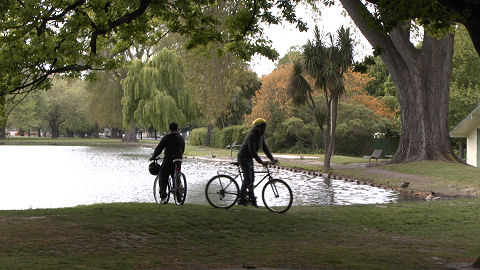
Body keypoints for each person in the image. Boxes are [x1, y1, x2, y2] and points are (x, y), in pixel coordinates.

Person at [237, 118, 278, 206]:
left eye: (265, 127)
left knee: (252, 179)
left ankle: (251, 199)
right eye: (263, 127)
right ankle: (241, 198)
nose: (264, 129)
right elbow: (252, 152)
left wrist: (272, 159)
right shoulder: (251, 136)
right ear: (258, 127)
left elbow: (265, 148)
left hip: (249, 158)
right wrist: (261, 162)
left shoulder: (260, 136)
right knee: (248, 179)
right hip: (243, 157)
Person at [150, 122, 185, 204]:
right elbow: (182, 149)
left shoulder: (167, 137)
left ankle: (163, 197)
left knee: (162, 176)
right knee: (176, 177)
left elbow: (159, 148)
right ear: (177, 129)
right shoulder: (181, 138)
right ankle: (179, 196)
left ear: (170, 129)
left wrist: (153, 156)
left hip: (168, 160)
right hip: (178, 160)